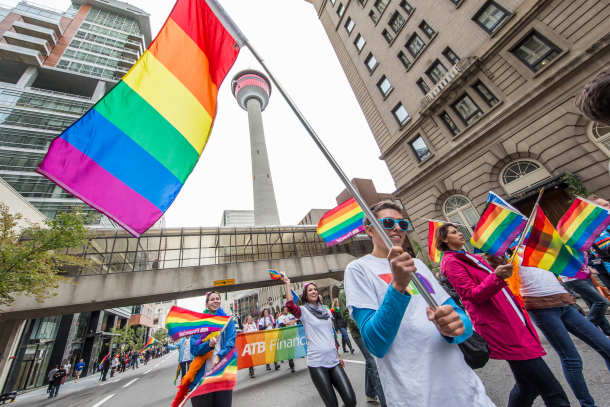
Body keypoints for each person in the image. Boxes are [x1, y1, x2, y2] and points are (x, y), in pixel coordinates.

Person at [345, 201, 494, 407]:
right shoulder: (358, 269)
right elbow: (375, 344)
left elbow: (463, 323)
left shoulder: (419, 265)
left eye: (402, 224)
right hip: (416, 395)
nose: (398, 228)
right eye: (388, 222)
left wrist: (456, 325)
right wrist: (397, 286)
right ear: (369, 230)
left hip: (466, 389)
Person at [438, 224, 570, 407]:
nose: (460, 233)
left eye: (458, 230)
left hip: (513, 322)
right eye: (453, 232)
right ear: (444, 239)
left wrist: (499, 271)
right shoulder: (451, 262)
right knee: (554, 393)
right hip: (503, 330)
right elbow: (470, 296)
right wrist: (497, 277)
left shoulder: (472, 257)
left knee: (527, 387)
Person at [284, 277, 356, 407]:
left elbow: (330, 335)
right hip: (317, 365)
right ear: (306, 295)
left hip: (333, 362)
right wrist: (288, 284)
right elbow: (290, 306)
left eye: (315, 289)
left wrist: (338, 355)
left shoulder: (327, 311)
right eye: (310, 290)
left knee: (351, 401)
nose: (313, 291)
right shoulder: (304, 311)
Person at [339, 281, 386, 406]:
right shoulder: (343, 292)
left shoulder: (359, 287)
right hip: (359, 332)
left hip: (367, 329)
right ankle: (384, 399)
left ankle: (370, 393)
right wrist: (361, 325)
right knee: (373, 362)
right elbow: (346, 315)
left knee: (370, 361)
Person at [188, 291, 237, 407]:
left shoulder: (227, 321)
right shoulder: (200, 324)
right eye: (212, 299)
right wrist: (208, 346)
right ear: (207, 304)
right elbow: (194, 349)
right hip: (204, 375)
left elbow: (231, 341)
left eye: (217, 298)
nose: (215, 301)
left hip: (222, 373)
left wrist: (218, 355)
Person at [278, 305, 297, 373]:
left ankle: (291, 362)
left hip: (293, 333)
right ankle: (291, 364)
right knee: (289, 349)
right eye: (285, 309)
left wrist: (287, 323)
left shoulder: (290, 315)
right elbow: (282, 325)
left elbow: (294, 321)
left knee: (292, 348)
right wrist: (289, 323)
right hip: (286, 335)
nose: (286, 310)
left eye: (287, 309)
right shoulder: (280, 318)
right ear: (282, 311)